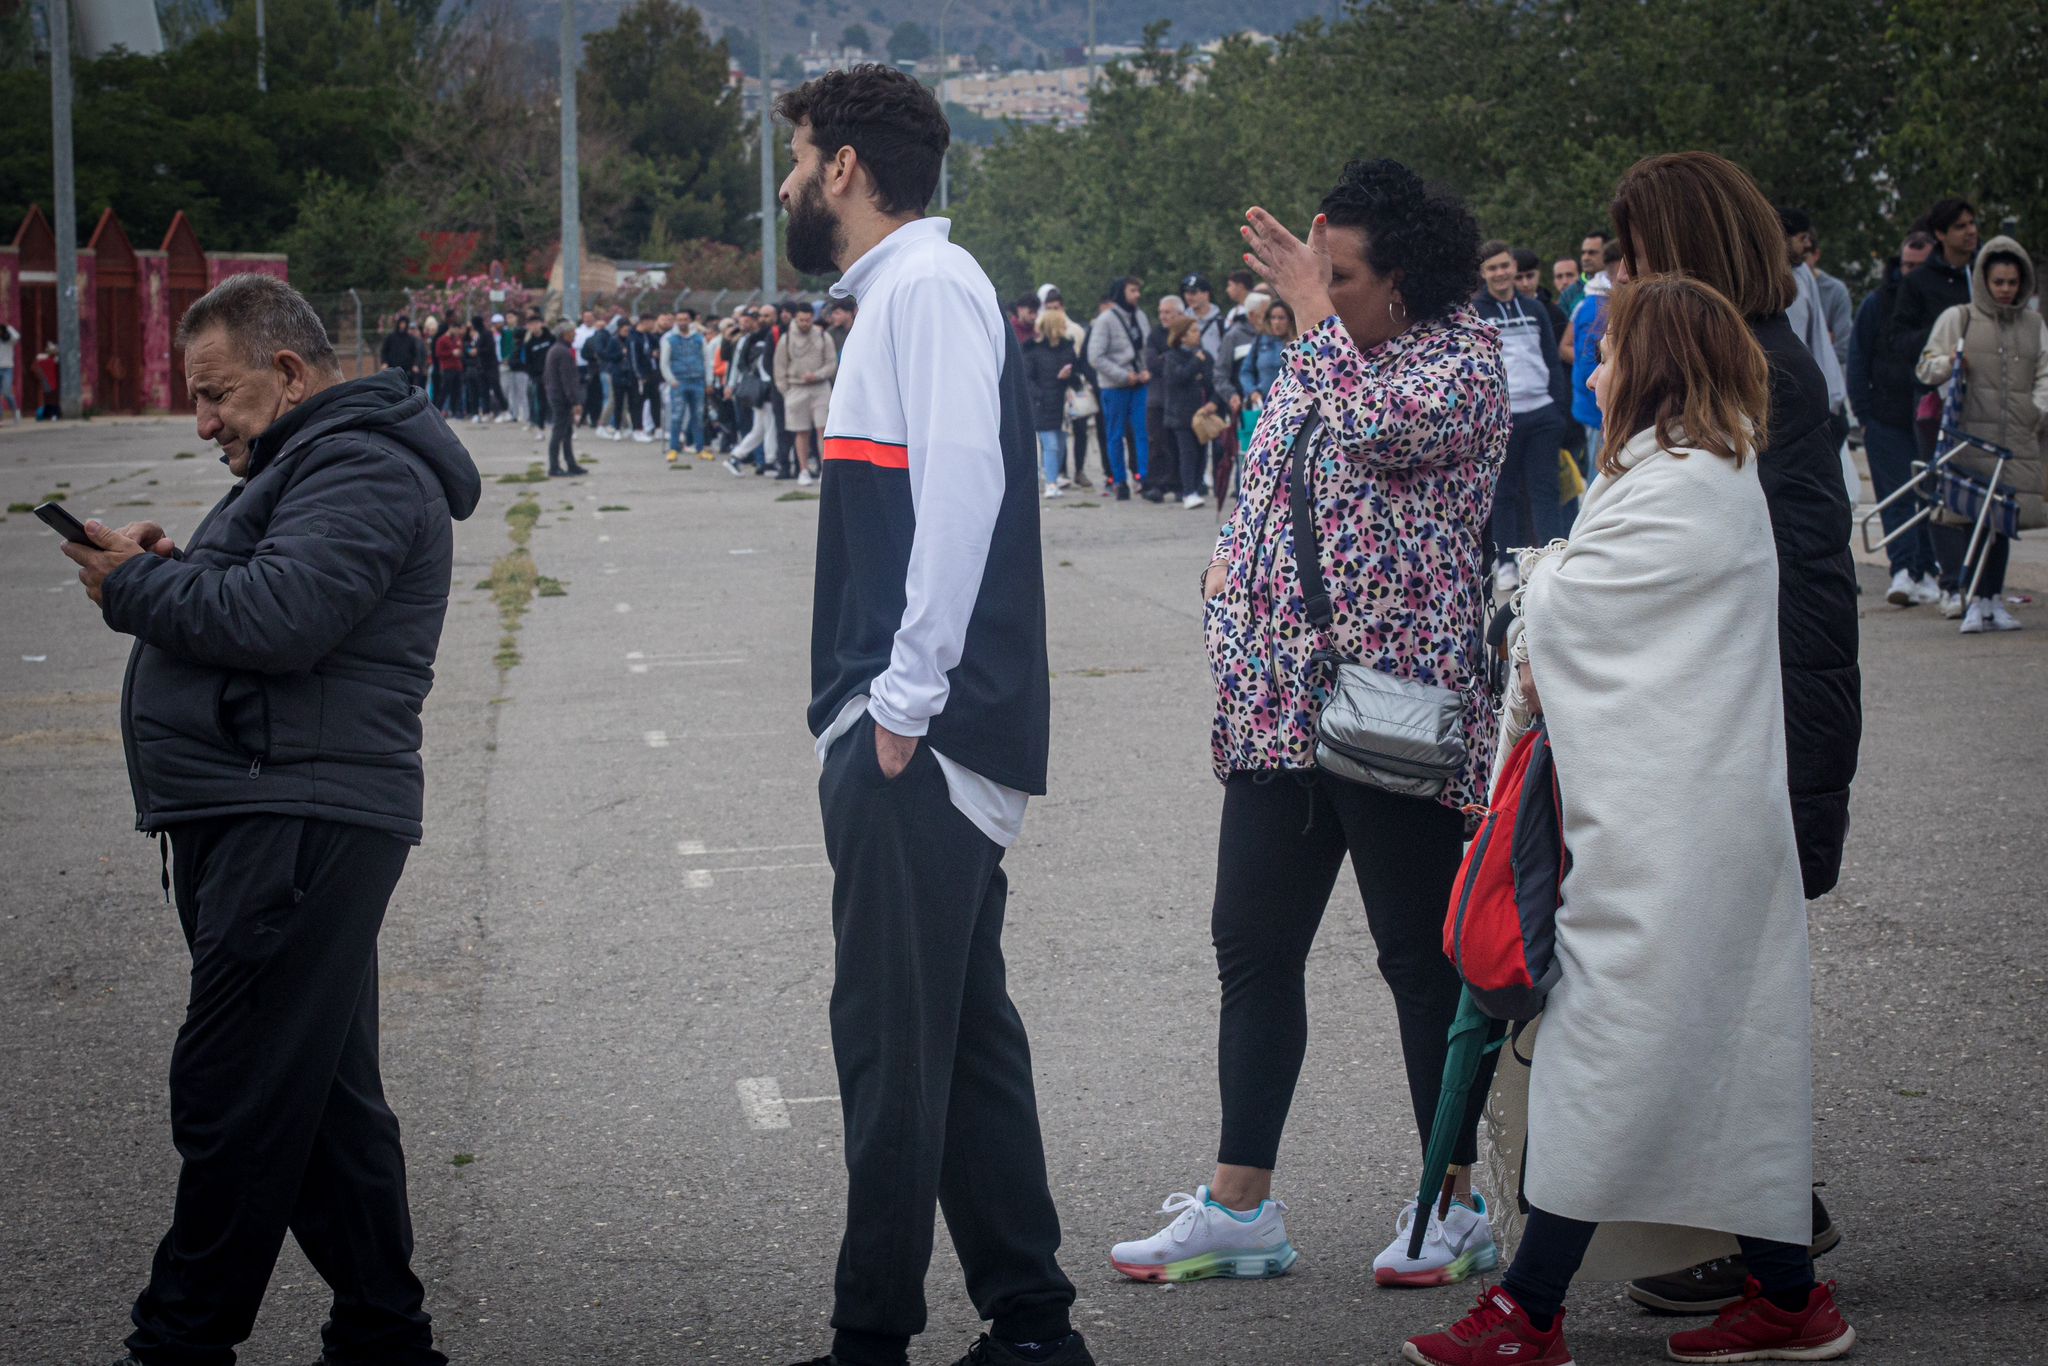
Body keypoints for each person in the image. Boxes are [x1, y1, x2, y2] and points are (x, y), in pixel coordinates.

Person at [1401, 273, 1856, 1366]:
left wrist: (1538, 579)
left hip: (1669, 836)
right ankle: (1786, 1295)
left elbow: (1562, 611)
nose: (1588, 369)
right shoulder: (1685, 471)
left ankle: (1529, 1310)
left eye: (1605, 354)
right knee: (1707, 1059)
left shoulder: (1686, 484)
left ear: (1650, 369)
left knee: (1607, 1054)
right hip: (1676, 819)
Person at [58, 274, 475, 1366]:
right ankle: (386, 1335)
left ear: (288, 372)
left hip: (295, 819)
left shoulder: (364, 464)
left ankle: (178, 1342)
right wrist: (163, 571)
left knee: (233, 1094)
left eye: (216, 396)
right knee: (325, 1108)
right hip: (273, 808)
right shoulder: (309, 460)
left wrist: (132, 592)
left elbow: (283, 616)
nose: (202, 424)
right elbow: (265, 594)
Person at [1111, 157, 1510, 1293]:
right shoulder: (1323, 350)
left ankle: (1454, 1201)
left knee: (1415, 964)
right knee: (1250, 947)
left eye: (1338, 276)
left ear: (1402, 284)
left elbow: (1375, 431)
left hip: (1393, 709)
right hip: (1274, 711)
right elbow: (1275, 468)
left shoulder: (1460, 367)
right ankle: (1239, 1205)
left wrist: (1309, 314)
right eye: (1312, 276)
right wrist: (1227, 579)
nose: (1315, 292)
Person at [774, 63, 1092, 1366]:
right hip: (908, 725)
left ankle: (871, 1337)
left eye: (798, 158)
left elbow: (961, 501)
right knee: (960, 1041)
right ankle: (1032, 1322)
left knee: (889, 1045)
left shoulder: (930, 290)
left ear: (845, 166)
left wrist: (898, 705)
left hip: (921, 735)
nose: (791, 183)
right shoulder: (902, 295)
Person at [1605, 150, 1859, 1314]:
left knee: (1724, 985)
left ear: (1683, 254)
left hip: (1754, 718)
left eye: (1634, 252)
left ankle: (1765, 1237)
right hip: (1733, 710)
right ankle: (1763, 1221)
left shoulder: (1759, 374)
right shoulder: (1739, 361)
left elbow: (1794, 581)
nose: (1619, 274)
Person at [1916, 236, 2046, 633]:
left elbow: (2044, 372)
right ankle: (1970, 599)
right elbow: (1927, 366)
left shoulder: (2033, 323)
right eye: (1998, 282)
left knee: (2004, 521)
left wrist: (2038, 410)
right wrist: (1950, 364)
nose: (2005, 290)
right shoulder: (1960, 317)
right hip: (1969, 436)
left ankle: (1993, 600)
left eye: (2012, 282)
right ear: (1984, 281)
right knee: (1971, 517)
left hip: (2017, 439)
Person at [1847, 231, 1942, 605]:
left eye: (1919, 267)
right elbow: (1858, 356)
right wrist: (1864, 414)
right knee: (1894, 497)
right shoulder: (1878, 304)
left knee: (1929, 495)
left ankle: (1929, 568)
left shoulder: (1939, 305)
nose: (1910, 274)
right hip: (1885, 416)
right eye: (1906, 266)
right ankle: (1903, 568)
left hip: (1928, 417)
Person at [1475, 239, 1571, 583]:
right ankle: (1506, 561)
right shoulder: (1477, 311)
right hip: (1503, 418)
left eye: (1504, 266)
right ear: (1483, 273)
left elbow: (1551, 357)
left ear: (1514, 268)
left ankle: (1551, 557)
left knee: (1546, 489)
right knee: (1504, 492)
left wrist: (1559, 408)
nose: (1500, 273)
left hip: (1544, 412)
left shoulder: (1534, 307)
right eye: (1492, 268)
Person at [1890, 198, 1980, 474]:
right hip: (1937, 397)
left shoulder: (1985, 275)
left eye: (1972, 223)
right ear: (1940, 234)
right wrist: (1943, 334)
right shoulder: (1919, 282)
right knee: (1938, 475)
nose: (1970, 232)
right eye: (1960, 226)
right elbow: (1898, 340)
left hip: (1982, 392)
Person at [1086, 276, 1152, 499]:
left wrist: (1145, 370)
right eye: (1132, 290)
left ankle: (1144, 478)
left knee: (1142, 432)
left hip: (1139, 385)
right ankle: (1120, 481)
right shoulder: (1105, 320)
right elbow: (1095, 356)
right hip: (1115, 387)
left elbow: (1146, 348)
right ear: (1121, 292)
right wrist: (1124, 376)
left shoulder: (1140, 316)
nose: (1137, 295)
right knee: (1115, 435)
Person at [1160, 314, 1220, 510]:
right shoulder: (1171, 357)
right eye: (1193, 331)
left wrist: (1213, 402)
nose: (1198, 335)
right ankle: (1188, 492)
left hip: (1201, 414)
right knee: (1188, 454)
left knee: (1202, 454)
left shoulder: (1205, 355)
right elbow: (1177, 378)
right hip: (1181, 416)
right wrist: (1195, 362)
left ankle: (1196, 486)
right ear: (1182, 336)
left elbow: (1213, 382)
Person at [775, 303, 838, 486]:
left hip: (820, 388)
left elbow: (831, 363)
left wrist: (817, 375)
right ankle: (803, 469)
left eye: (808, 320)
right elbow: (779, 368)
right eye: (801, 320)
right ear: (796, 318)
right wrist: (786, 392)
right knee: (801, 432)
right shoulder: (786, 339)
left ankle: (824, 469)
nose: (804, 323)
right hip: (796, 388)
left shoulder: (822, 336)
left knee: (823, 429)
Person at [1024, 306, 1082, 498]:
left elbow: (1077, 376)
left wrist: (1068, 376)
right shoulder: (1033, 350)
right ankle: (1050, 483)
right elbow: (1028, 378)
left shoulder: (1067, 348)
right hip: (1043, 404)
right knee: (1051, 444)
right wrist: (1039, 395)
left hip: (1063, 404)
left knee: (1061, 444)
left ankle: (1052, 476)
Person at [1142, 294, 1186, 501]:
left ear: (1179, 313)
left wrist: (1168, 360)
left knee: (1178, 442)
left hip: (1180, 397)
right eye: (1161, 312)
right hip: (1157, 397)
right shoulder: (1154, 335)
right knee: (1157, 441)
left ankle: (1180, 484)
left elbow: (1189, 361)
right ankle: (1156, 485)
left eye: (1167, 312)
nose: (1163, 316)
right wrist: (1171, 360)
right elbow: (1152, 363)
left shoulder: (1187, 332)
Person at [542, 320, 588, 477]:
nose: (575, 335)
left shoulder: (556, 349)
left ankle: (571, 463)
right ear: (565, 334)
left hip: (556, 395)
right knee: (559, 432)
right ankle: (554, 466)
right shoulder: (562, 352)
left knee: (566, 432)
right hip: (561, 398)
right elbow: (567, 380)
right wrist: (575, 401)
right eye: (572, 332)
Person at [662, 312, 709, 462]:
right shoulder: (670, 339)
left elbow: (707, 360)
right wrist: (671, 380)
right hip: (679, 381)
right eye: (680, 320)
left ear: (690, 321)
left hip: (697, 381)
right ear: (676, 321)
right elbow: (664, 362)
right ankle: (674, 448)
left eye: (685, 319)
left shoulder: (699, 339)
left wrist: (708, 381)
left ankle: (700, 447)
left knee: (698, 416)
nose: (683, 322)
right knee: (677, 416)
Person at [379, 315, 422, 389]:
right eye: (401, 323)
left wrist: (415, 364)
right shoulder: (391, 337)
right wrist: (384, 362)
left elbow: (415, 353)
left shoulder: (410, 339)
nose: (403, 325)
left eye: (404, 323)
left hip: (407, 370)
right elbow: (384, 351)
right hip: (393, 368)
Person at [433, 319, 465, 419]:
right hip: (447, 368)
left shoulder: (457, 339)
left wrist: (459, 352)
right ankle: (437, 410)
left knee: (457, 391)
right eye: (456, 330)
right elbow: (438, 353)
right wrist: (451, 353)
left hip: (457, 368)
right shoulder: (442, 340)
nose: (457, 333)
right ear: (451, 328)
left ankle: (456, 411)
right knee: (445, 391)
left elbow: (461, 350)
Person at [32, 338, 61, 418]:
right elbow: (34, 367)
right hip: (46, 380)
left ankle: (53, 413)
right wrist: (40, 375)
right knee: (48, 398)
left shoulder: (55, 359)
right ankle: (49, 413)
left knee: (52, 398)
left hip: (52, 381)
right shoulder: (41, 357)